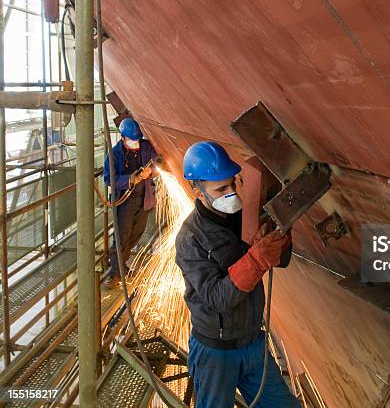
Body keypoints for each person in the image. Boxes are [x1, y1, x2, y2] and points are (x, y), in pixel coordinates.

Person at [175, 141, 301, 408]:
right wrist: (256, 258)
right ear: (196, 190)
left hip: (253, 343)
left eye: (233, 184)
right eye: (221, 189)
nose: (231, 193)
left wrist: (280, 238)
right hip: (216, 354)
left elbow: (282, 261)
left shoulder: (244, 217)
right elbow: (217, 298)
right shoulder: (190, 238)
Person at [103, 117, 158, 288]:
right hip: (125, 201)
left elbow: (158, 162)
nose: (136, 143)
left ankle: (122, 266)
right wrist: (130, 179)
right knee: (121, 237)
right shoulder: (114, 154)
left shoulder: (146, 146)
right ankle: (113, 275)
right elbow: (108, 179)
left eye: (137, 139)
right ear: (123, 138)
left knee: (136, 233)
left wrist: (151, 171)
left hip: (145, 198)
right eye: (132, 140)